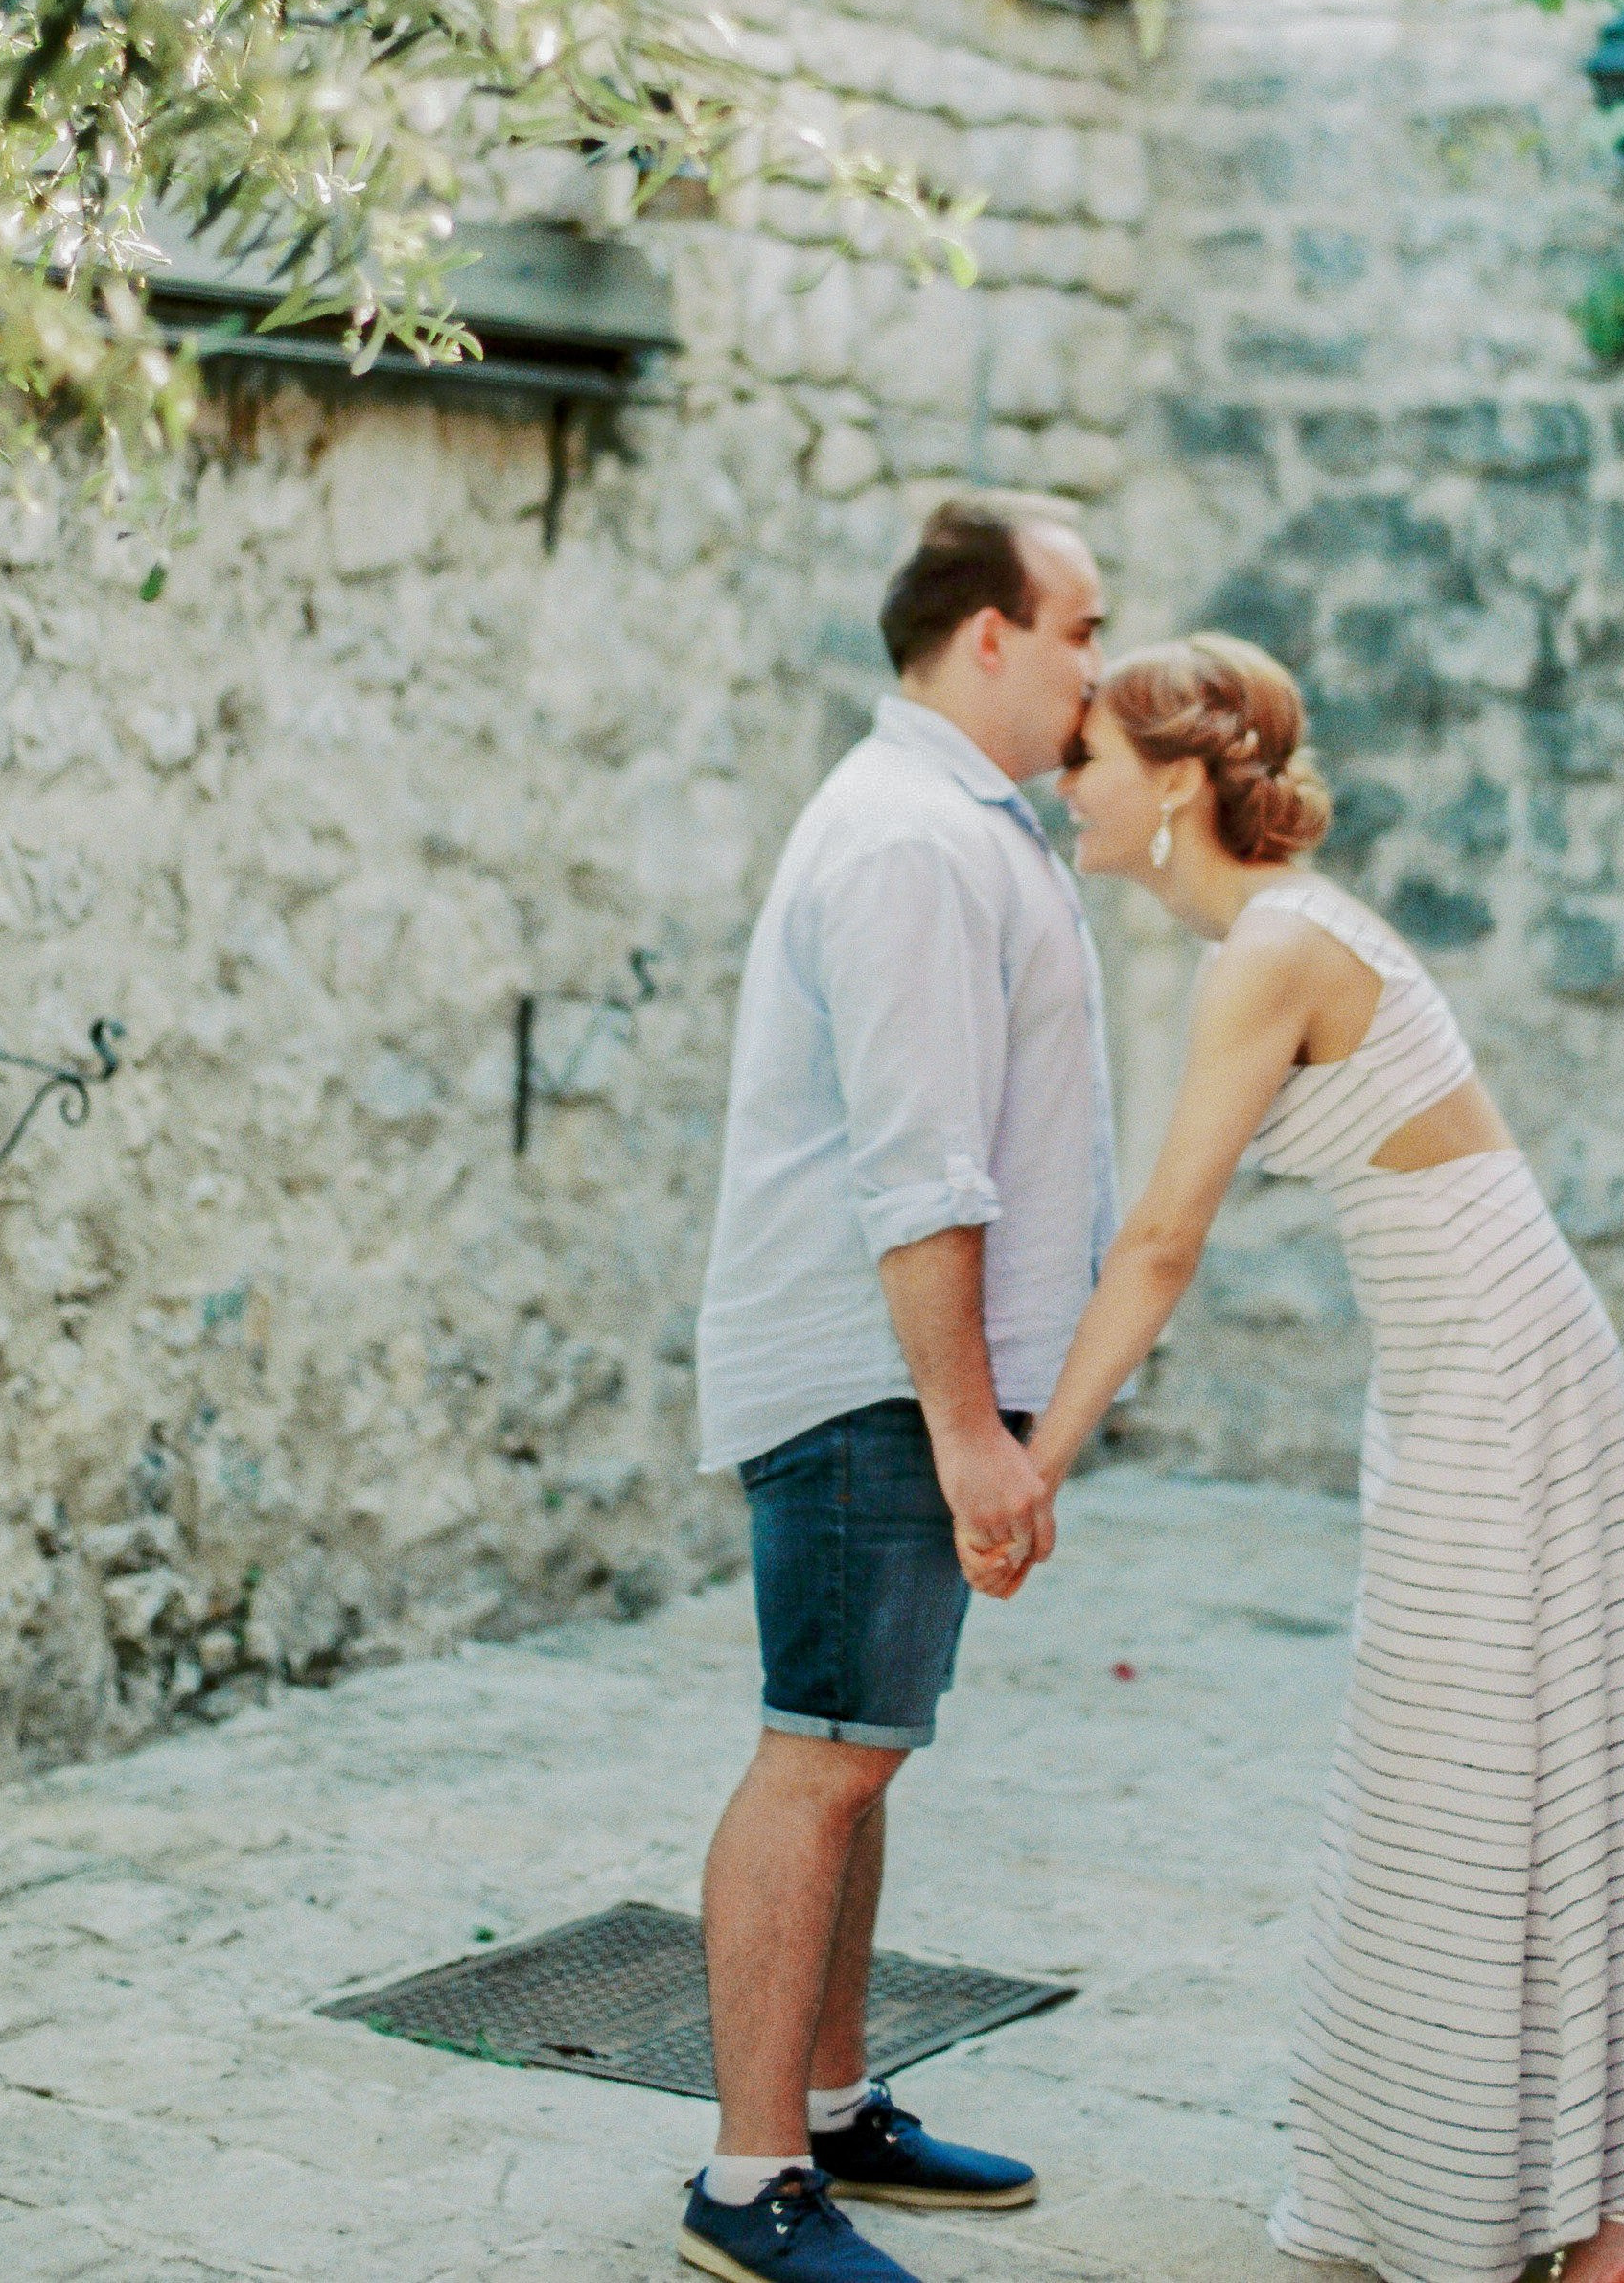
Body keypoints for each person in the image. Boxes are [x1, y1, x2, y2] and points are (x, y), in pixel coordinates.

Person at [981, 633, 1624, 2283]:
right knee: (1493, 1768)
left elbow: (1161, 1241)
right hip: (1473, 1361)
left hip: (1501, 1371)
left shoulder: (1270, 947)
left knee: (1482, 1773)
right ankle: (1623, 2184)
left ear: (1176, 783)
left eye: (1087, 759)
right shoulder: (1271, 934)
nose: (1062, 783)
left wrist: (1037, 1461)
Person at [682, 493, 1117, 2283]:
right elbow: (920, 1167)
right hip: (875, 1383)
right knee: (818, 1760)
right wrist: (960, 1428)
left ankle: (833, 2103)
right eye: (1082, 628)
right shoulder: (908, 841)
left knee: (862, 1756)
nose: (1100, 667)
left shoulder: (959, 822)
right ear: (989, 633)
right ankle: (747, 2179)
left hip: (909, 1383)